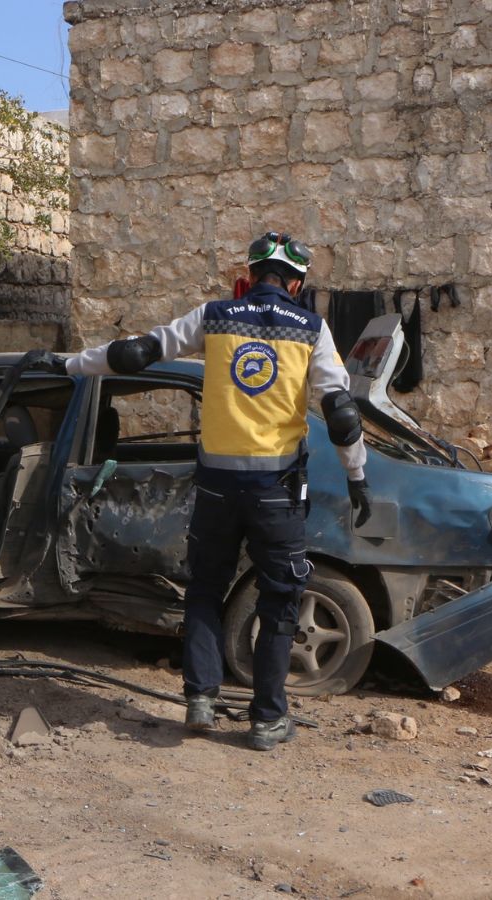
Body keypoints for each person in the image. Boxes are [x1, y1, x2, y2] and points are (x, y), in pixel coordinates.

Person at [32, 232, 371, 751]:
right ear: (297, 282)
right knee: (280, 598)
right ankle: (266, 719)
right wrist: (356, 478)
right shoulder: (312, 329)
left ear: (250, 274)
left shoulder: (214, 316)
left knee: (206, 590)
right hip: (276, 491)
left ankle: (201, 700)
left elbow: (136, 352)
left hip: (215, 489)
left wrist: (68, 364)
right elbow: (342, 417)